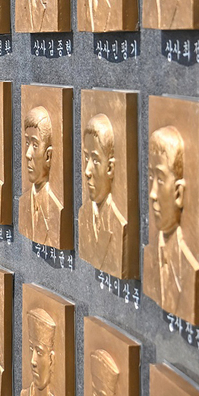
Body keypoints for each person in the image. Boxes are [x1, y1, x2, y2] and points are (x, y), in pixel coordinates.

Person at [145, 126, 199, 322]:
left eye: (160, 179)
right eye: (150, 177)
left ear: (178, 193)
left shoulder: (191, 269)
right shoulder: (148, 258)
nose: (152, 193)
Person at [81, 113, 127, 276]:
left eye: (95, 160)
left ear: (110, 168)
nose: (87, 171)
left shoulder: (118, 224)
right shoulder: (83, 215)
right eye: (86, 158)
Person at [22, 105, 63, 247]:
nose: (27, 154)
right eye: (27, 143)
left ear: (48, 155)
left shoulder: (56, 210)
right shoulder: (23, 202)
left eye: (34, 145)